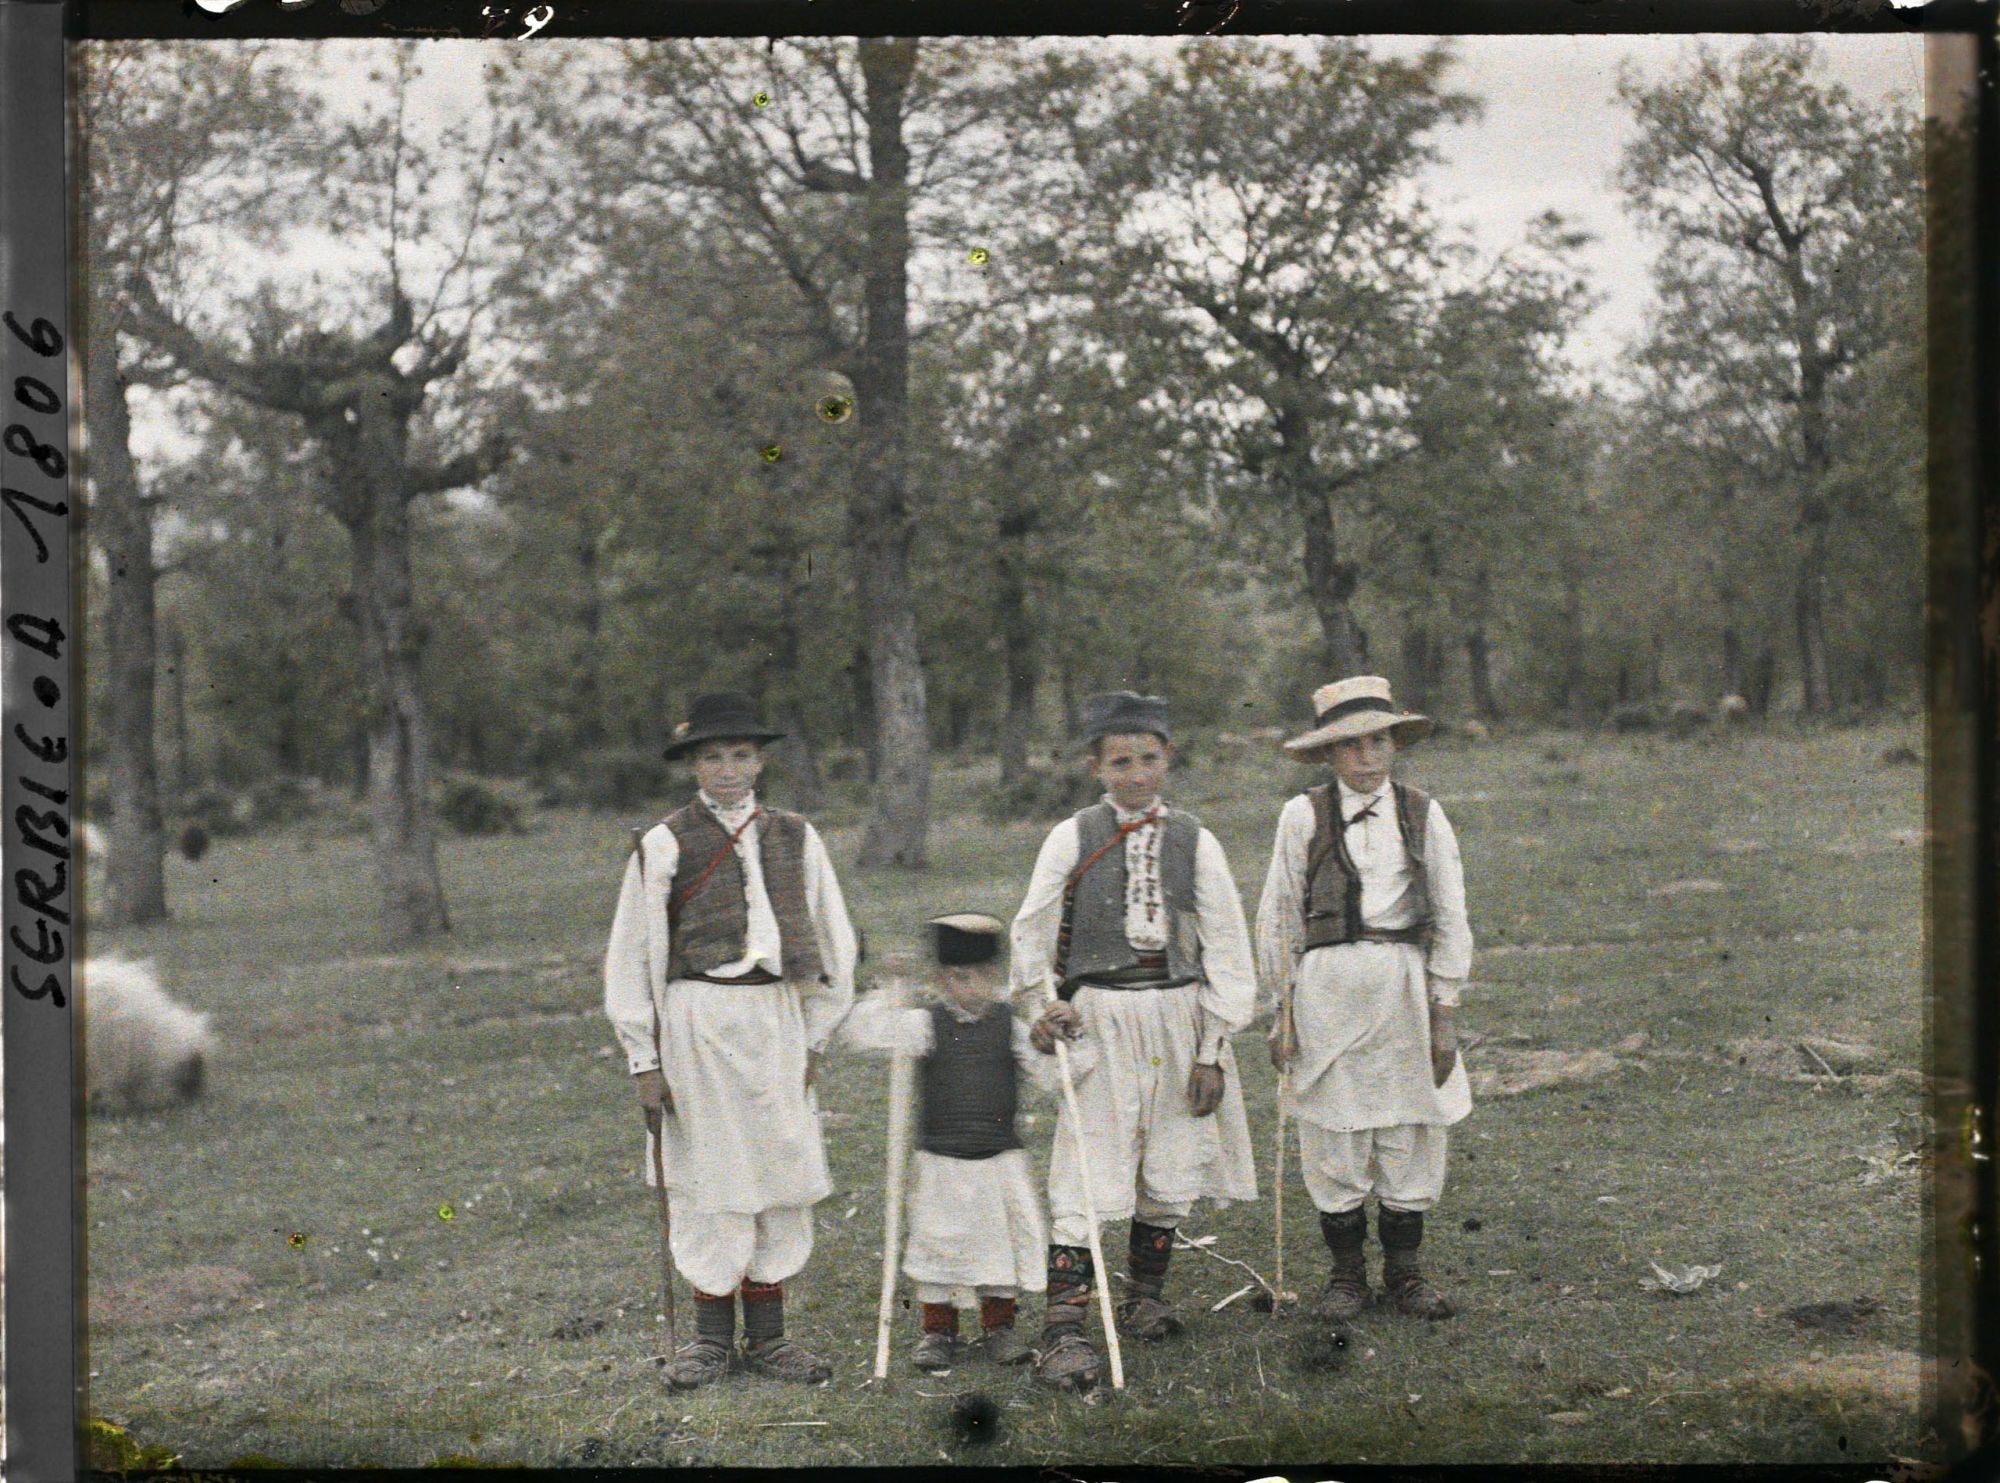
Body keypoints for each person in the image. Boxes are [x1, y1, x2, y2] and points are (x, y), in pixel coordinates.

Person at [602, 691, 858, 1388]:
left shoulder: (797, 835)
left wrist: (815, 1035)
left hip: (774, 1015)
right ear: (691, 765)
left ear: (761, 760)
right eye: (712, 756)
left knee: (780, 1166)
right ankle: (710, 1338)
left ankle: (770, 1337)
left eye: (741, 754)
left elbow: (833, 938)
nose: (727, 769)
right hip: (697, 1019)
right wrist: (644, 1058)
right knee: (707, 1173)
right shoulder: (662, 842)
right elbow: (632, 955)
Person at [1012, 691, 1260, 1392]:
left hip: (1179, 1016)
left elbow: (1228, 943)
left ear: (1167, 759)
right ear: (1096, 765)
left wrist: (1213, 1044)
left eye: (1149, 759)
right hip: (1102, 1018)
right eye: (1120, 761)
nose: (1137, 774)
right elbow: (1030, 927)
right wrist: (1041, 1002)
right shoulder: (1073, 834)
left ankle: (1145, 1297)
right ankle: (1062, 1330)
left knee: (1172, 1159)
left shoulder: (1194, 840)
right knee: (1087, 1166)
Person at [1255, 675, 1472, 1323]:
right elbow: (1279, 917)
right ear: (1328, 753)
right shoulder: (1302, 816)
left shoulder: (1422, 811)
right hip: (1327, 992)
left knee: (1409, 1123)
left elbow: (1452, 910)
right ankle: (1347, 1274)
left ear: (1393, 744)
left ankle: (1404, 1273)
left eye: (1378, 741)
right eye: (1351, 746)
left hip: (1403, 986)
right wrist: (1282, 1010)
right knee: (1336, 1128)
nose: (1367, 757)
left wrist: (1444, 1009)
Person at [842, 913, 1049, 1374]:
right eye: (957, 978)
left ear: (995, 979)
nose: (969, 988)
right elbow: (863, 1034)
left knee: (1000, 1247)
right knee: (938, 1244)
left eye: (980, 977)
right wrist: (888, 990)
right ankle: (938, 1333)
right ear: (939, 980)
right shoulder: (925, 1024)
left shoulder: (1010, 1026)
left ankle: (999, 1330)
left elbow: (1054, 1075)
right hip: (940, 1159)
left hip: (999, 1157)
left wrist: (1055, 1038)